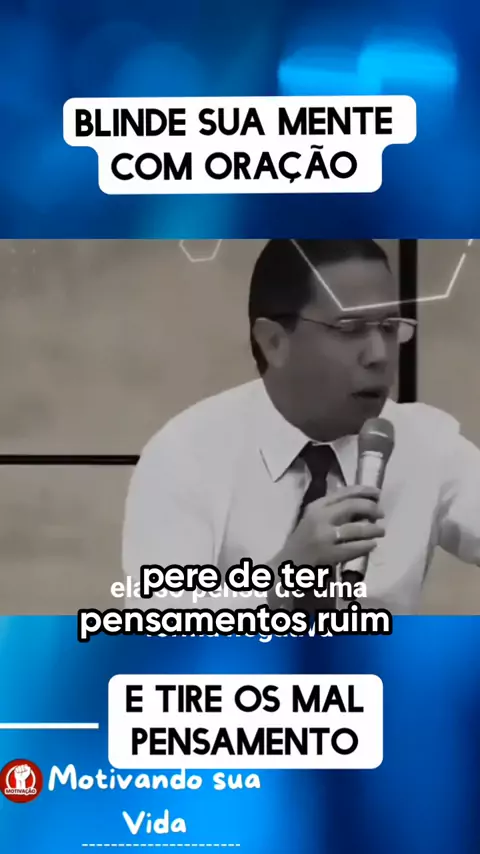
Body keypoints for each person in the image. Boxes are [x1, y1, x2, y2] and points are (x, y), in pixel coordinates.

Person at [122, 239, 480, 615]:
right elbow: (157, 625)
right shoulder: (185, 454)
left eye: (390, 327)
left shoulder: (426, 443)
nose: (379, 355)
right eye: (350, 328)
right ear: (274, 342)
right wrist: (283, 576)